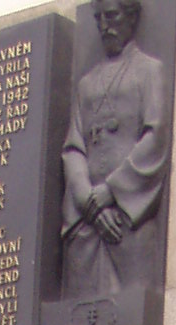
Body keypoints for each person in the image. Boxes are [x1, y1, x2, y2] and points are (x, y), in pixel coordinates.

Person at [60, 0, 169, 300]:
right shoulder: (87, 84)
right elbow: (74, 147)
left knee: (129, 305)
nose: (105, 26)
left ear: (130, 17)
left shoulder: (149, 71)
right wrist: (88, 200)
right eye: (99, 19)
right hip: (88, 222)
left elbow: (155, 136)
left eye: (112, 16)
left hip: (128, 217)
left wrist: (113, 192)